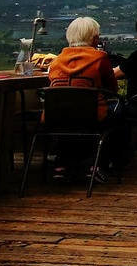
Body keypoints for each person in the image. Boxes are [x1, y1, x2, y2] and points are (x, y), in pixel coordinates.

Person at [46, 16, 120, 180]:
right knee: (118, 115)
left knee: (70, 115)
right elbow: (112, 89)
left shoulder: (56, 62)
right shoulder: (100, 58)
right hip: (92, 117)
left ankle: (61, 164)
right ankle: (97, 164)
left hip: (58, 118)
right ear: (94, 38)